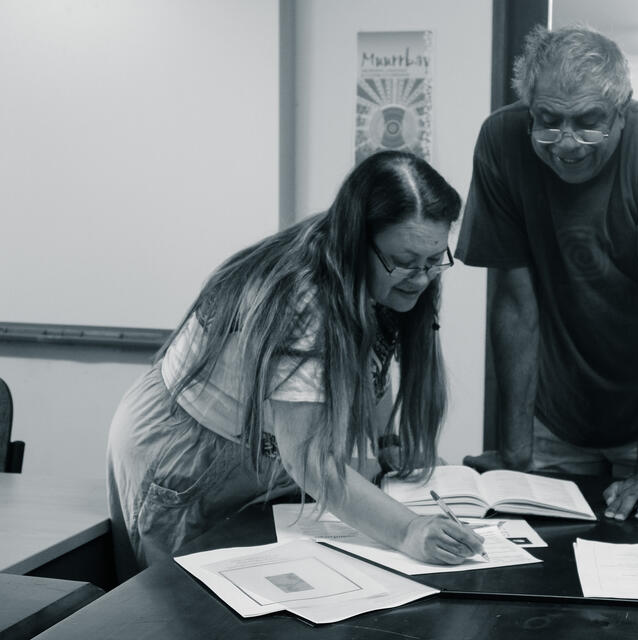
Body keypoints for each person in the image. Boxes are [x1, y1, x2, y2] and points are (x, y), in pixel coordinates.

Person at [107, 150, 485, 578]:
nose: (421, 277)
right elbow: (309, 459)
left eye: (433, 260)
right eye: (404, 262)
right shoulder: (303, 296)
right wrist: (408, 530)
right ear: (357, 242)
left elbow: (374, 356)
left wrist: (385, 444)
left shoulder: (384, 269)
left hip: (257, 446)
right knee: (183, 607)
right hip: (188, 451)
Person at [456, 25, 638, 521]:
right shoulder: (500, 141)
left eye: (588, 122)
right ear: (529, 107)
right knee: (544, 566)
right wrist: (514, 455)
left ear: (622, 111)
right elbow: (515, 304)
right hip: (560, 406)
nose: (567, 143)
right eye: (548, 121)